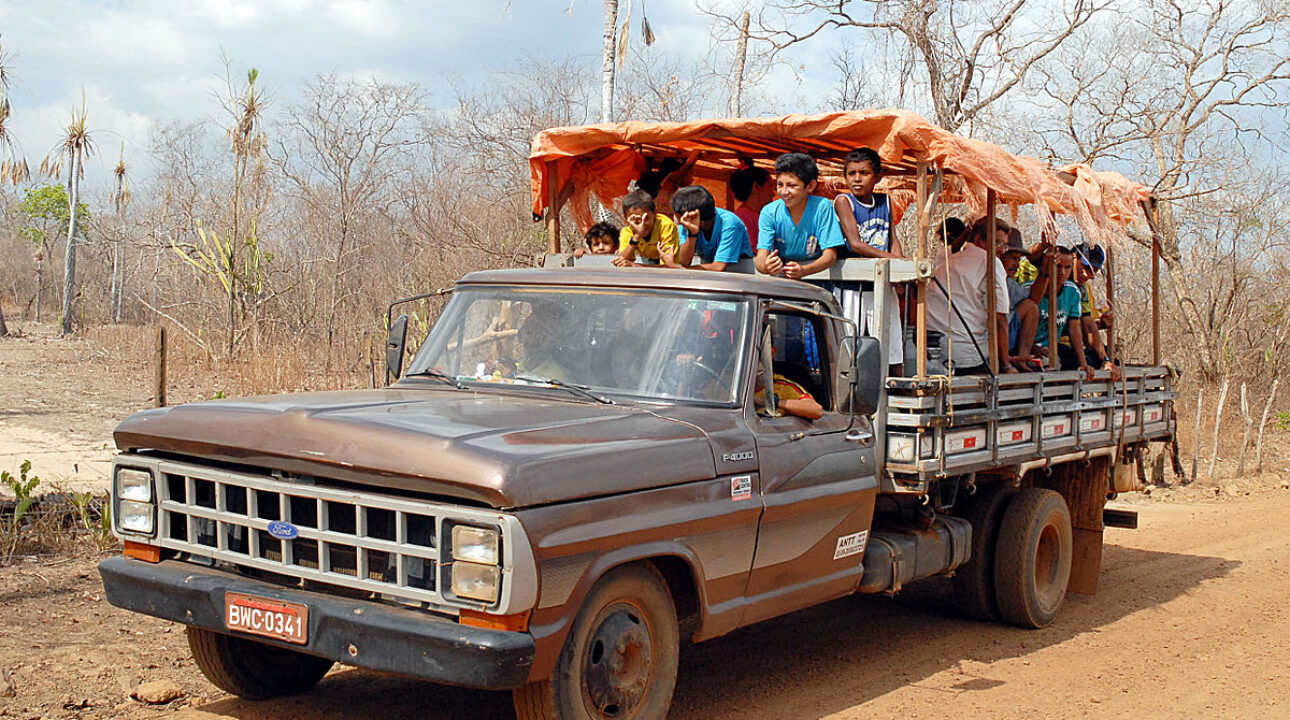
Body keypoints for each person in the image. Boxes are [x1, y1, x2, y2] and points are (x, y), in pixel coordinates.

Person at [831, 147, 906, 374]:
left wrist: (900, 269)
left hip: (880, 285)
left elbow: (893, 238)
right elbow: (855, 244)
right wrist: (896, 261)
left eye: (864, 173)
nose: (857, 178)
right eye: (852, 173)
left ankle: (893, 394)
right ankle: (843, 398)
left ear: (877, 177)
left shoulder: (885, 202)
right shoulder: (844, 201)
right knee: (847, 344)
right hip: (851, 287)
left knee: (891, 343)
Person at [925, 217, 1014, 375]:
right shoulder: (991, 263)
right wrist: (1007, 365)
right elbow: (1000, 320)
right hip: (966, 355)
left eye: (1005, 245)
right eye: (998, 243)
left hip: (930, 351)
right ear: (979, 240)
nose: (1002, 250)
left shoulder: (947, 260)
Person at [1013, 246, 1113, 378]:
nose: (1062, 272)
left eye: (1067, 268)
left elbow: (1075, 327)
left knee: (1085, 361)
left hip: (1053, 347)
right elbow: (1015, 328)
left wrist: (1084, 363)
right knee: (1049, 364)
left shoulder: (1074, 291)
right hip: (1025, 349)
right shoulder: (1028, 289)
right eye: (1058, 266)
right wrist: (1033, 348)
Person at [755, 152, 846, 280]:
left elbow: (830, 256)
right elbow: (761, 256)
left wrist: (804, 270)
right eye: (780, 185)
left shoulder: (822, 207)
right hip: (782, 282)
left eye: (792, 185)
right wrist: (765, 267)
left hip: (818, 281)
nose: (784, 191)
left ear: (810, 186)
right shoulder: (769, 211)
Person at [671, 185, 753, 272]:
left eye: (678, 218)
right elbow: (684, 262)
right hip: (707, 266)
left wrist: (679, 268)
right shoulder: (686, 223)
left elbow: (719, 266)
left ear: (699, 220)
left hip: (738, 269)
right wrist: (692, 234)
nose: (679, 222)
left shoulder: (730, 224)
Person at [615, 189, 681, 268]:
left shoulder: (665, 226)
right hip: (648, 257)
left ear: (654, 214)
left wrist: (637, 266)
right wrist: (636, 236)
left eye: (646, 218)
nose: (642, 224)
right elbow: (621, 261)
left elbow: (669, 267)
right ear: (627, 220)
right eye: (636, 220)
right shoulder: (627, 232)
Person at [729, 161, 774, 252]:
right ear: (756, 187)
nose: (773, 193)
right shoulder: (742, 219)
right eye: (770, 186)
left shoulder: (757, 216)